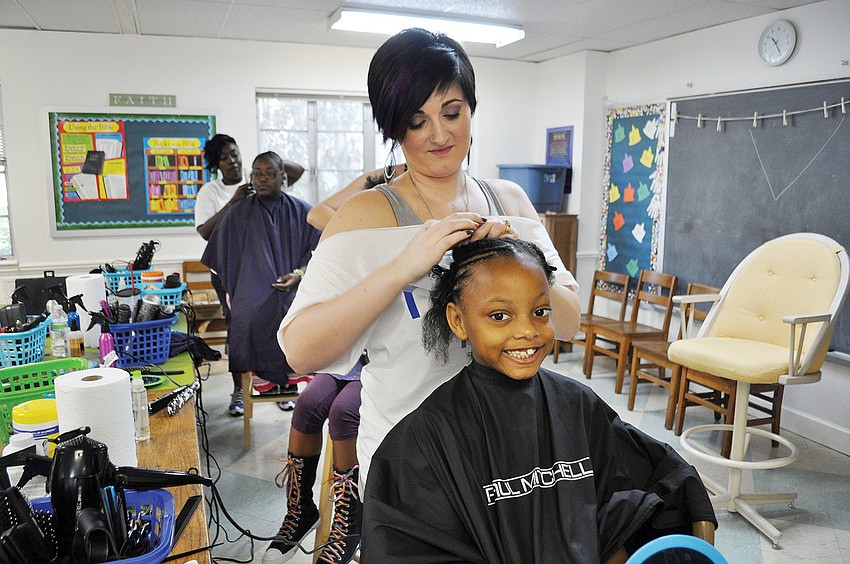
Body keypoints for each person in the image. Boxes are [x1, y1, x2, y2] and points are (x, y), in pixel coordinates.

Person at [278, 27, 582, 492]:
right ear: (394, 127)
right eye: (417, 121)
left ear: (471, 109)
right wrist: (403, 267)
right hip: (410, 462)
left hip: (507, 453)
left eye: (452, 112)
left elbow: (567, 324)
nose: (439, 134)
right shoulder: (366, 216)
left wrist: (517, 262)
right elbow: (300, 350)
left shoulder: (511, 203)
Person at [362, 237, 717, 563]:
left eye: (540, 312)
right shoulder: (427, 437)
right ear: (458, 320)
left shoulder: (576, 404)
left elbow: (658, 479)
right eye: (499, 316)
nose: (527, 331)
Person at [265, 170, 394, 564]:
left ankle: (348, 525)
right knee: (308, 402)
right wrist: (368, 179)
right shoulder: (354, 231)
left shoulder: (406, 233)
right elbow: (319, 214)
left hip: (383, 355)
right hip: (349, 355)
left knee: (342, 412)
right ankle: (300, 510)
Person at [195, 135, 305, 415]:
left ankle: (285, 386)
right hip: (235, 274)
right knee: (244, 320)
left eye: (234, 154)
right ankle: (241, 391)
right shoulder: (215, 193)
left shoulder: (291, 205)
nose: (231, 161)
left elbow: (297, 171)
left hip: (283, 279)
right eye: (224, 157)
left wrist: (268, 163)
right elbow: (208, 234)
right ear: (215, 164)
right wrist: (233, 202)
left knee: (288, 317)